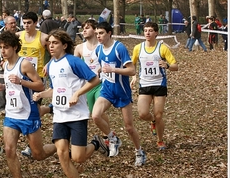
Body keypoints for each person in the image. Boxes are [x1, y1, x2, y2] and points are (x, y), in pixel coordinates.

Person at [33, 29, 109, 178]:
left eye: (55, 43)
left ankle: (96, 143)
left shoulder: (73, 62)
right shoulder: (51, 65)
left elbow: (95, 80)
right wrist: (41, 95)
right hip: (60, 116)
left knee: (78, 157)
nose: (51, 46)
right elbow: (56, 89)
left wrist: (77, 94)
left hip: (77, 115)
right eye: (50, 43)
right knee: (61, 153)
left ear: (64, 45)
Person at [0, 31, 57, 178]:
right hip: (12, 115)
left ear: (14, 47)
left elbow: (40, 85)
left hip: (28, 114)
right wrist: (2, 88)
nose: (3, 51)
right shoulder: (5, 65)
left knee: (38, 154)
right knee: (9, 150)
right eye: (1, 48)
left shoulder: (24, 64)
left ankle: (60, 147)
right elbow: (11, 86)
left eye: (6, 47)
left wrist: (21, 81)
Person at [91, 21, 146, 166]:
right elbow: (102, 67)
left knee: (129, 127)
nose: (98, 36)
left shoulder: (119, 48)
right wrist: (100, 71)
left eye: (101, 33)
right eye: (97, 33)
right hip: (107, 90)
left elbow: (132, 71)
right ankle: (112, 138)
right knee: (95, 116)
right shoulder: (99, 50)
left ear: (109, 33)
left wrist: (113, 70)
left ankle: (139, 152)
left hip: (122, 91)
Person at [130, 22, 178, 151]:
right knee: (143, 113)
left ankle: (160, 140)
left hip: (159, 84)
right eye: (145, 30)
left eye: (150, 30)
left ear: (156, 33)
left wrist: (167, 65)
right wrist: (134, 76)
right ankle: (152, 121)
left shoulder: (162, 48)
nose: (147, 33)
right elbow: (131, 64)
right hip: (145, 84)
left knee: (159, 115)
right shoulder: (138, 48)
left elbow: (175, 66)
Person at [16, 12, 49, 157]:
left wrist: (49, 64)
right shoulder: (18, 36)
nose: (26, 25)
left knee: (33, 110)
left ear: (36, 23)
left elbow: (56, 51)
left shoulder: (43, 37)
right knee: (23, 109)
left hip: (37, 79)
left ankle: (32, 145)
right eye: (24, 23)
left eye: (29, 22)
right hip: (20, 79)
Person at [0, 16, 19, 114]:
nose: (14, 25)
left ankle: (15, 105)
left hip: (17, 64)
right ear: (6, 25)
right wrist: (0, 59)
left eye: (15, 22)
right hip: (3, 64)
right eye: (11, 23)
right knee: (3, 86)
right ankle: (2, 107)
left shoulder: (20, 33)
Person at [74, 20, 102, 114]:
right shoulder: (79, 48)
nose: (84, 31)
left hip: (102, 83)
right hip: (88, 84)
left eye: (87, 28)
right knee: (93, 111)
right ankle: (109, 130)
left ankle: (108, 129)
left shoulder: (102, 46)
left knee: (98, 112)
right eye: (83, 29)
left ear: (95, 30)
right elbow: (74, 67)